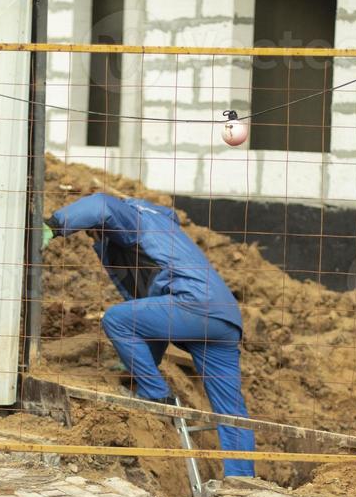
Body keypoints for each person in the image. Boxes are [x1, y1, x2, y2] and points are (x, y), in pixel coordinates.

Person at [44, 192, 255, 477]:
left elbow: (101, 205)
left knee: (117, 319)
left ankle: (156, 396)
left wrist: (54, 226)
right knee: (231, 410)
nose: (92, 236)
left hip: (192, 304)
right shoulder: (161, 229)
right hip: (223, 318)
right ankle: (241, 480)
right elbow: (150, 324)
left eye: (92, 231)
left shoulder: (134, 220)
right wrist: (137, 365)